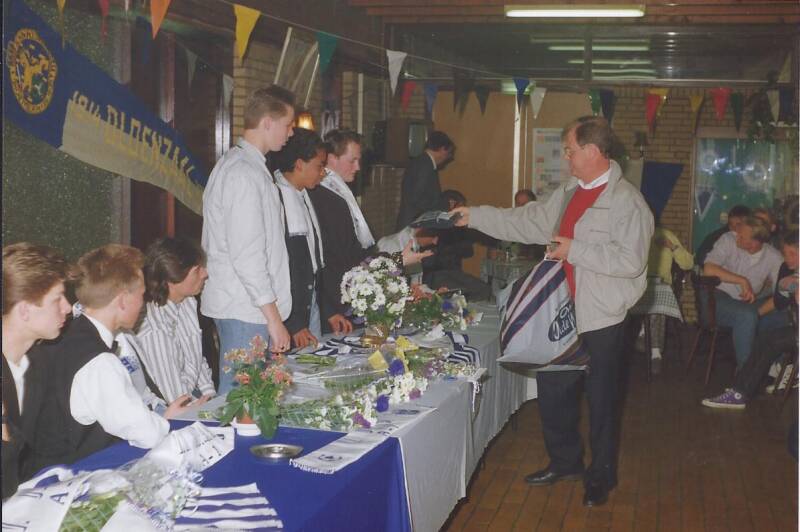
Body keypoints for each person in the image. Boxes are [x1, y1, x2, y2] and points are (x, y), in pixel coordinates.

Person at [451, 116, 653, 507]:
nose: (566, 158)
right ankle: (565, 462)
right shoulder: (568, 192)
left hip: (603, 319)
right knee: (554, 391)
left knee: (602, 401)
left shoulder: (628, 202)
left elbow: (631, 261)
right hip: (561, 312)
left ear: (592, 151)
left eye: (570, 151)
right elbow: (527, 221)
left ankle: (601, 476)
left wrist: (574, 249)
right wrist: (474, 215)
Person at [28, 245, 198, 474]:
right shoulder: (99, 362)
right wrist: (166, 419)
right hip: (72, 477)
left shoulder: (65, 335)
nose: (143, 304)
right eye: (141, 295)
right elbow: (147, 434)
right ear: (122, 301)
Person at [201, 85, 295, 394]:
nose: (291, 132)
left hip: (248, 306)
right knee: (242, 400)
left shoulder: (249, 167)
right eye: (288, 124)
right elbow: (248, 255)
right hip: (245, 309)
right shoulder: (242, 173)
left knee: (255, 399)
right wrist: (273, 319)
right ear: (268, 122)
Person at [309, 129, 431, 332]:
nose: (358, 167)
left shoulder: (338, 194)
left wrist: (397, 259)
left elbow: (357, 256)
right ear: (331, 158)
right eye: (352, 160)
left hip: (341, 295)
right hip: (336, 302)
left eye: (359, 160)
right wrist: (398, 260)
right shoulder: (326, 198)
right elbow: (339, 261)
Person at [2, 243, 72, 499]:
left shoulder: (39, 362)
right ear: (24, 310)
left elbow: (49, 447)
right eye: (57, 299)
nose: (68, 307)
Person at [272, 128, 350, 347]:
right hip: (289, 311)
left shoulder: (307, 196)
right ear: (299, 164)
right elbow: (285, 267)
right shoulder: (277, 199)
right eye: (319, 166)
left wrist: (328, 310)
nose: (323, 173)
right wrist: (294, 323)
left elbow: (316, 263)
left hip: (311, 302)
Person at [701, 230, 798, 409]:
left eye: (793, 254)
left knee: (772, 337)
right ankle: (742, 390)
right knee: (768, 337)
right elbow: (780, 298)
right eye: (786, 254)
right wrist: (791, 284)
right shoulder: (787, 269)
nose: (788, 258)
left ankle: (742, 391)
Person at [136, 237, 215, 403]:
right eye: (197, 270)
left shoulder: (186, 302)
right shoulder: (155, 331)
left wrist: (210, 396)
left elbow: (196, 356)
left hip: (192, 394)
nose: (205, 274)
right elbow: (176, 399)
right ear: (173, 279)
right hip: (174, 407)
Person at [702, 215, 784, 368]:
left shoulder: (773, 257)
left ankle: (777, 369)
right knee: (746, 316)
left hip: (748, 305)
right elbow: (708, 269)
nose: (736, 236)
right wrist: (742, 280)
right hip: (716, 300)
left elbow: (782, 295)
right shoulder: (728, 239)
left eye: (741, 236)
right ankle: (744, 376)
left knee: (782, 316)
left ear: (755, 243)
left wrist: (757, 313)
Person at [643, 225, 694, 373]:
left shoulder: (666, 235)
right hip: (638, 285)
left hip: (660, 284)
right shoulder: (635, 232)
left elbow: (688, 264)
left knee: (656, 304)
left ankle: (652, 346)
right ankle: (650, 344)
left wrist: (672, 247)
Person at [395, 131, 455, 230]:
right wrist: (445, 204)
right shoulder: (425, 165)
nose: (447, 158)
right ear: (442, 149)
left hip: (412, 222)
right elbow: (417, 198)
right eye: (448, 154)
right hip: (414, 224)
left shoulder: (421, 162)